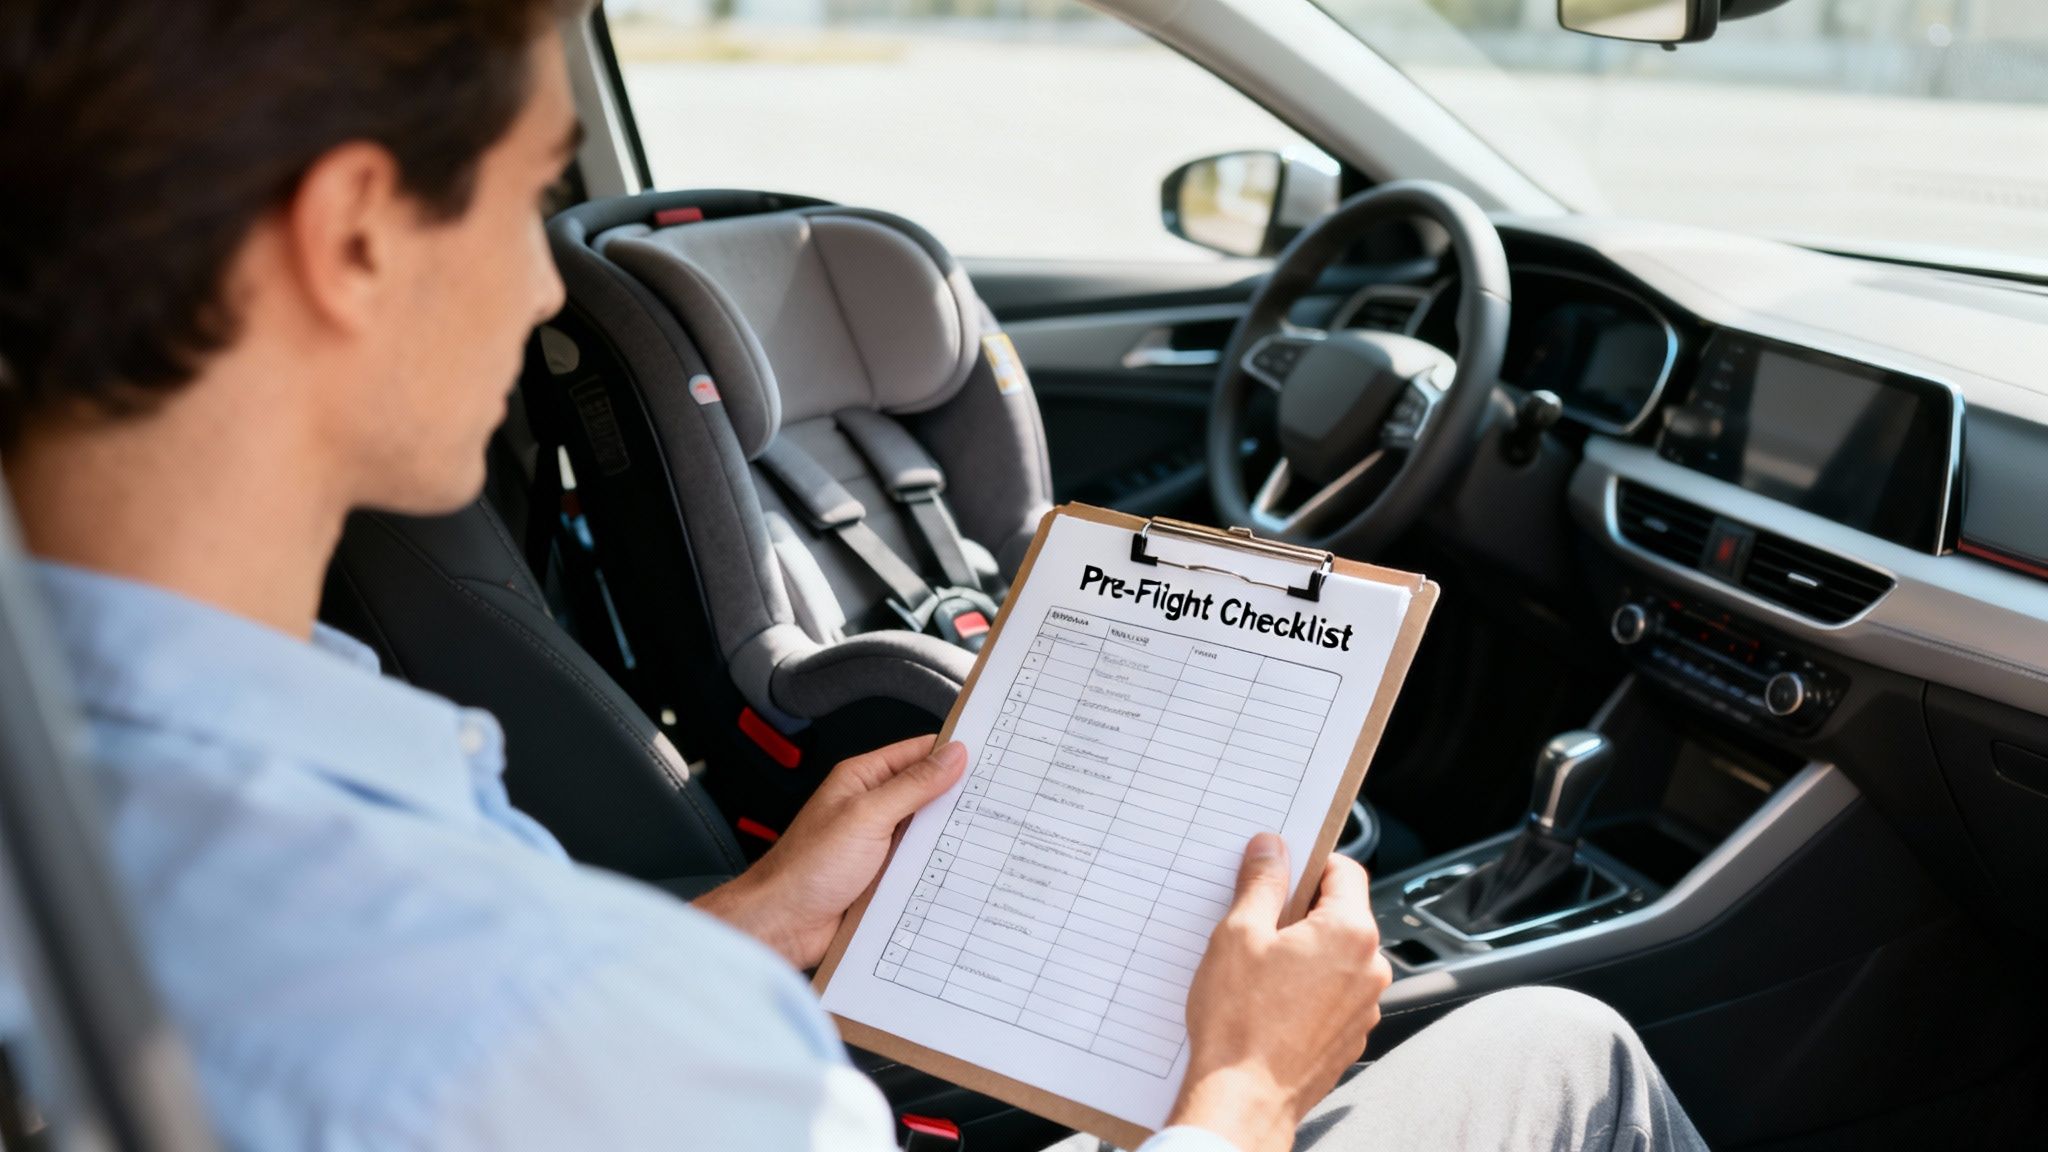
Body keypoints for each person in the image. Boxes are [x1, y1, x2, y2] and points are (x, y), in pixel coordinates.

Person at [0, 2, 1707, 1150]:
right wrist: (1247, 1088)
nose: (540, 297)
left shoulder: (144, 765)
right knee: (1568, 1057)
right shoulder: (566, 1023)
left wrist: (753, 924)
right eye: (533, 195)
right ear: (355, 232)